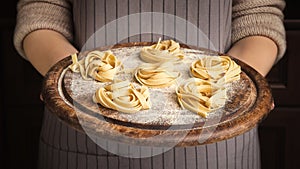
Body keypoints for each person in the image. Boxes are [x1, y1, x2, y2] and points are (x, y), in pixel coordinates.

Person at [13, 0, 286, 169]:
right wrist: (71, 81)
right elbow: (43, 10)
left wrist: (232, 88)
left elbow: (258, 14)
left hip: (218, 146)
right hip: (84, 140)